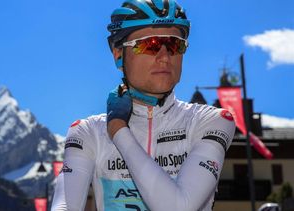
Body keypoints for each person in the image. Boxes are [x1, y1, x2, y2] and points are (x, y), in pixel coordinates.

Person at [51, 0, 236, 210]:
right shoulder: (88, 132)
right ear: (118, 54)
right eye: (150, 45)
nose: (164, 56)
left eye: (175, 44)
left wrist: (119, 131)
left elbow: (178, 208)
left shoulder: (211, 121)